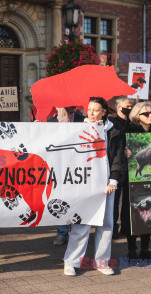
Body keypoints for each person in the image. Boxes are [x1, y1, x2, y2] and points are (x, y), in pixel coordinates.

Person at [63, 97, 126, 276]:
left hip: (106, 185)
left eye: (95, 110)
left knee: (106, 224)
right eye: (89, 109)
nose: (91, 113)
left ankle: (102, 262)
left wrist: (113, 180)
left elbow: (118, 158)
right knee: (81, 224)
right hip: (83, 183)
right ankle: (71, 262)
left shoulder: (113, 131)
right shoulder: (78, 128)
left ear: (104, 112)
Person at [123, 101, 151, 264]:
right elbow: (117, 152)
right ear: (137, 116)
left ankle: (145, 249)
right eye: (146, 114)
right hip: (132, 181)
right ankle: (132, 250)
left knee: (149, 209)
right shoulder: (128, 131)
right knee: (133, 212)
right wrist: (124, 151)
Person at [48, 107, 85, 246]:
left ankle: (77, 233)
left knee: (77, 199)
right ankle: (62, 233)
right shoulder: (50, 122)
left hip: (78, 168)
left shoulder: (83, 121)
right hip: (58, 168)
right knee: (60, 199)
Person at [108, 97, 133, 239]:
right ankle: (113, 228)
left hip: (131, 165)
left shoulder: (131, 123)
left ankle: (126, 226)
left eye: (131, 106)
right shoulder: (112, 123)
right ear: (118, 107)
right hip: (117, 165)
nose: (129, 108)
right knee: (115, 199)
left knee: (127, 199)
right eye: (127, 106)